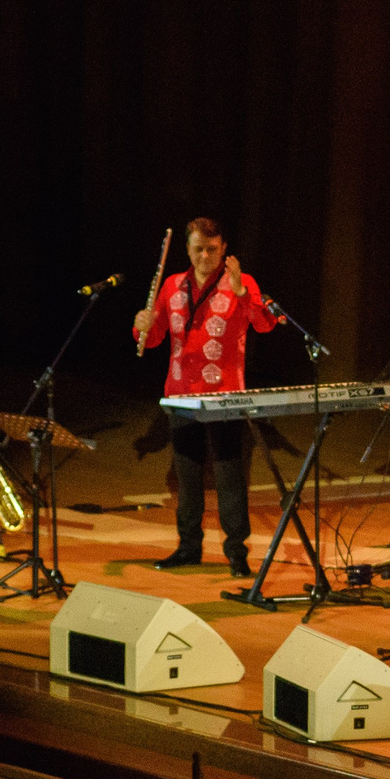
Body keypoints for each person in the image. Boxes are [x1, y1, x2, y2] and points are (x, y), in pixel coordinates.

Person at [133, 216, 282, 575]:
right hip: (181, 395)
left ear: (224, 249)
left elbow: (264, 324)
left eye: (212, 249)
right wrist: (143, 324)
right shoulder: (173, 285)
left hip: (225, 397)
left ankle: (236, 554)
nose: (205, 256)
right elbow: (153, 340)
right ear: (187, 249)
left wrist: (242, 292)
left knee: (230, 477)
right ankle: (188, 547)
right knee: (187, 478)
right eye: (198, 249)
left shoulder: (241, 283)